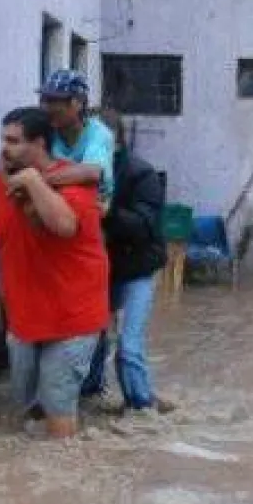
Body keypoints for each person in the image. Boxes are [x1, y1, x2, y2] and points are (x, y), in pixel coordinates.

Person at [0, 70, 115, 385]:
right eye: (45, 99)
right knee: (1, 295)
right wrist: (17, 180)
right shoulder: (48, 131)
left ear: (77, 104)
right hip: (41, 207)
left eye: (55, 101)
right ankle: (2, 354)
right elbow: (4, 161)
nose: (47, 106)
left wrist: (35, 180)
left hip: (96, 212)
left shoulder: (97, 135)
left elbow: (91, 173)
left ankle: (89, 375)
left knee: (84, 293)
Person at [0, 107, 109, 438]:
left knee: (56, 408)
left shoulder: (76, 185)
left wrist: (33, 181)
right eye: (3, 139)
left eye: (13, 141)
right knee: (26, 409)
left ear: (39, 143)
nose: (3, 147)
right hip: (24, 316)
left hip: (73, 318)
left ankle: (64, 476)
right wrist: (5, 285)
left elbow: (64, 226)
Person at [81, 109, 175, 416]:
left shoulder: (140, 174)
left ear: (114, 141)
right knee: (93, 339)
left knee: (128, 345)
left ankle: (141, 406)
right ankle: (91, 394)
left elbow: (145, 225)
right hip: (101, 271)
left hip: (136, 271)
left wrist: (107, 212)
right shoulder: (80, 169)